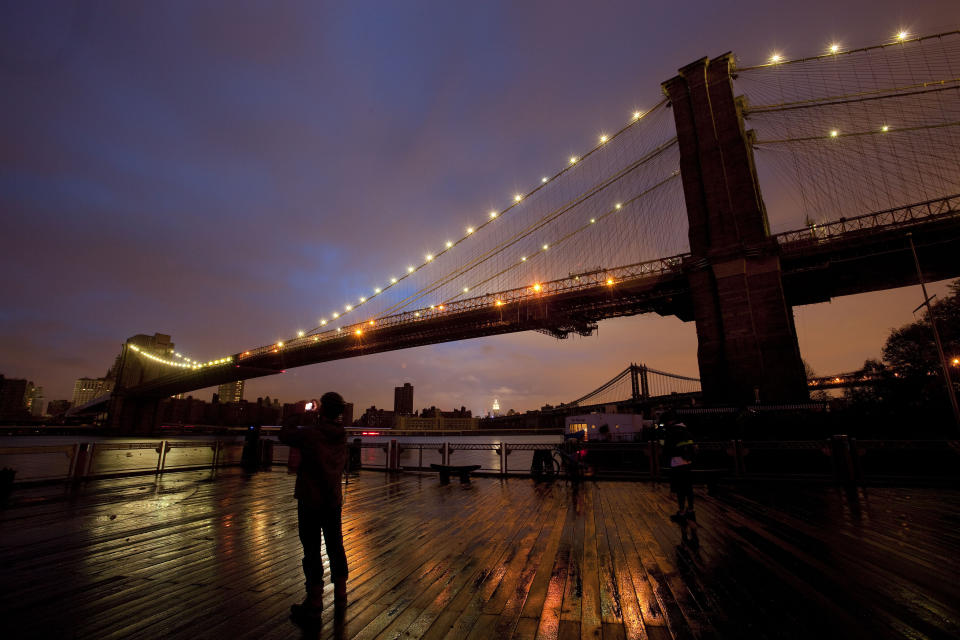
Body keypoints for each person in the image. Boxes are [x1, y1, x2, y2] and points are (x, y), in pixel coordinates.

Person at [279, 392, 349, 621]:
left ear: (321, 410)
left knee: (311, 549)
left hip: (310, 498)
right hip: (333, 499)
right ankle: (341, 595)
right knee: (335, 545)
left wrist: (297, 414)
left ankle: (315, 599)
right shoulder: (342, 435)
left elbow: (284, 435)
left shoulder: (311, 434)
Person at [659, 411, 697, 521]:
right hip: (688, 463)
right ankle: (691, 510)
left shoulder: (671, 432)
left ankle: (681, 512)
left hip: (677, 463)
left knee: (680, 489)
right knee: (688, 488)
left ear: (668, 422)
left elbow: (667, 449)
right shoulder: (686, 430)